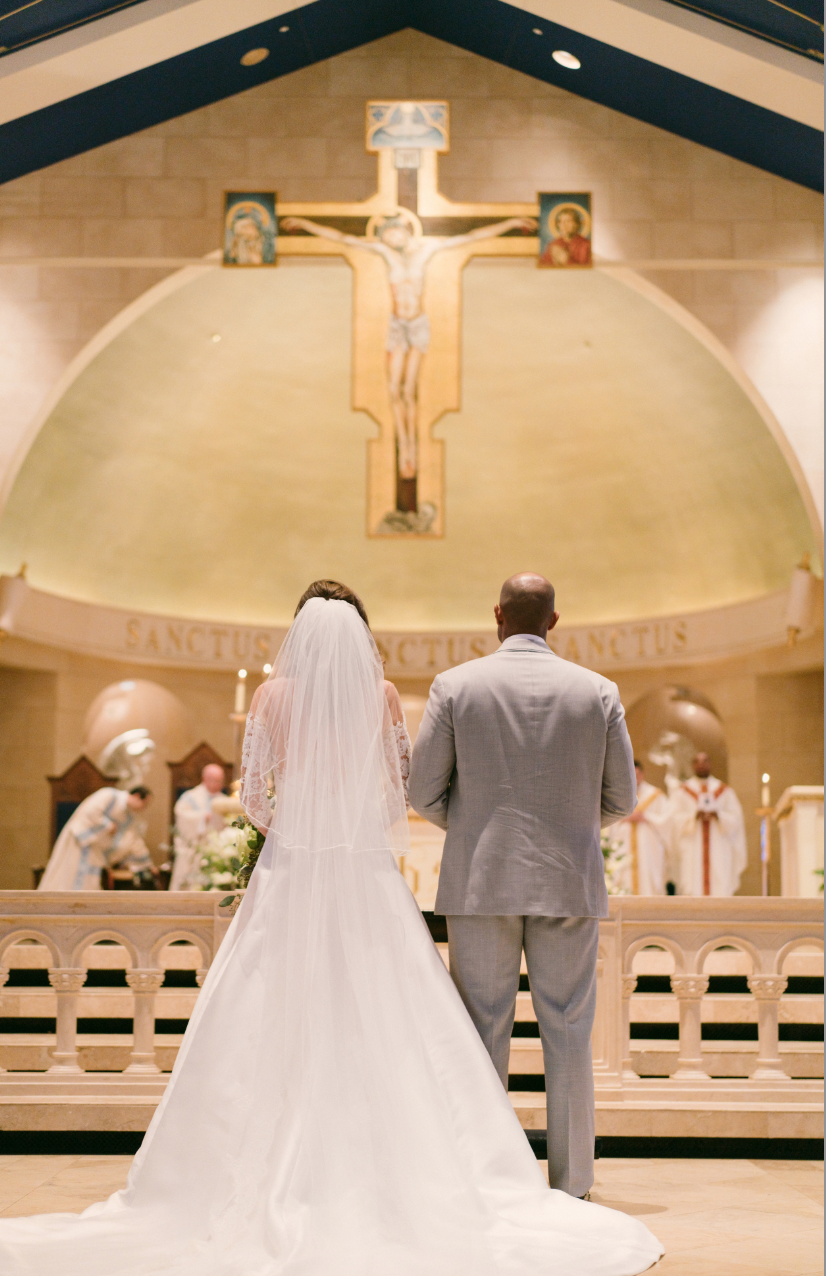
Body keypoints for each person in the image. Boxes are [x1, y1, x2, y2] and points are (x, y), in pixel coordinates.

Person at [0, 581, 662, 1276]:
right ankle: (552, 1179)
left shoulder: (366, 692)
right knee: (542, 1030)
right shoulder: (566, 690)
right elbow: (421, 793)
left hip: (353, 877)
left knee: (465, 1028)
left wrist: (303, 838)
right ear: (554, 618)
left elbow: (275, 797)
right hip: (460, 877)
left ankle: (445, 1168)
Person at [408, 573, 637, 1200]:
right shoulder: (597, 691)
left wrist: (482, 827)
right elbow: (622, 796)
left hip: (482, 883)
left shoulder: (455, 686)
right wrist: (565, 826)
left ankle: (490, 1181)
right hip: (569, 880)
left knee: (482, 1028)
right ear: (554, 621)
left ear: (497, 615)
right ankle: (573, 1184)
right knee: (568, 1028)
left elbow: (421, 789)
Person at [280, 213, 535, 501]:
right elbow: (342, 238)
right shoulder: (384, 254)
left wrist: (510, 224)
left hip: (417, 326)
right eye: (386, 236)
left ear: (405, 231)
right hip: (397, 326)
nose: (391, 239)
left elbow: (471, 237)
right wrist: (305, 225)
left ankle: (411, 448)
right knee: (393, 391)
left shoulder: (427, 251)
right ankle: (403, 441)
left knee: (408, 390)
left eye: (394, 234)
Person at [38, 786, 154, 891]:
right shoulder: (109, 795)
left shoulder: (129, 816)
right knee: (69, 877)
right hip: (80, 842)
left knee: (90, 881)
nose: (143, 809)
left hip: (96, 849)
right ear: (137, 796)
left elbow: (132, 839)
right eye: (144, 804)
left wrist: (147, 864)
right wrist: (108, 825)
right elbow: (90, 812)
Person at [669, 751, 747, 896]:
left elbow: (736, 820)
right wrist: (694, 816)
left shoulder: (725, 791)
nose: (701, 765)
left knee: (719, 885)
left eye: (705, 761)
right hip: (692, 847)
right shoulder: (682, 792)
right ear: (693, 765)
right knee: (691, 886)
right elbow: (673, 820)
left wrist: (718, 816)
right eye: (697, 761)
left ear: (710, 764)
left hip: (718, 847)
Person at [606, 761, 671, 895]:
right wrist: (623, 818)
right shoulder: (618, 795)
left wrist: (646, 816)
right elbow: (607, 821)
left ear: (642, 774)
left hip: (649, 847)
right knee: (623, 877)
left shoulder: (655, 795)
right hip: (624, 845)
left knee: (649, 878)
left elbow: (667, 820)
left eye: (637, 774)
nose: (634, 778)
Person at [169, 763, 227, 890]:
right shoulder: (190, 797)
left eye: (220, 781)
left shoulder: (225, 801)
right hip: (193, 850)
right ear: (205, 779)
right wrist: (201, 817)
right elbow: (181, 815)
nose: (218, 785)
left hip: (215, 851)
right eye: (215, 781)